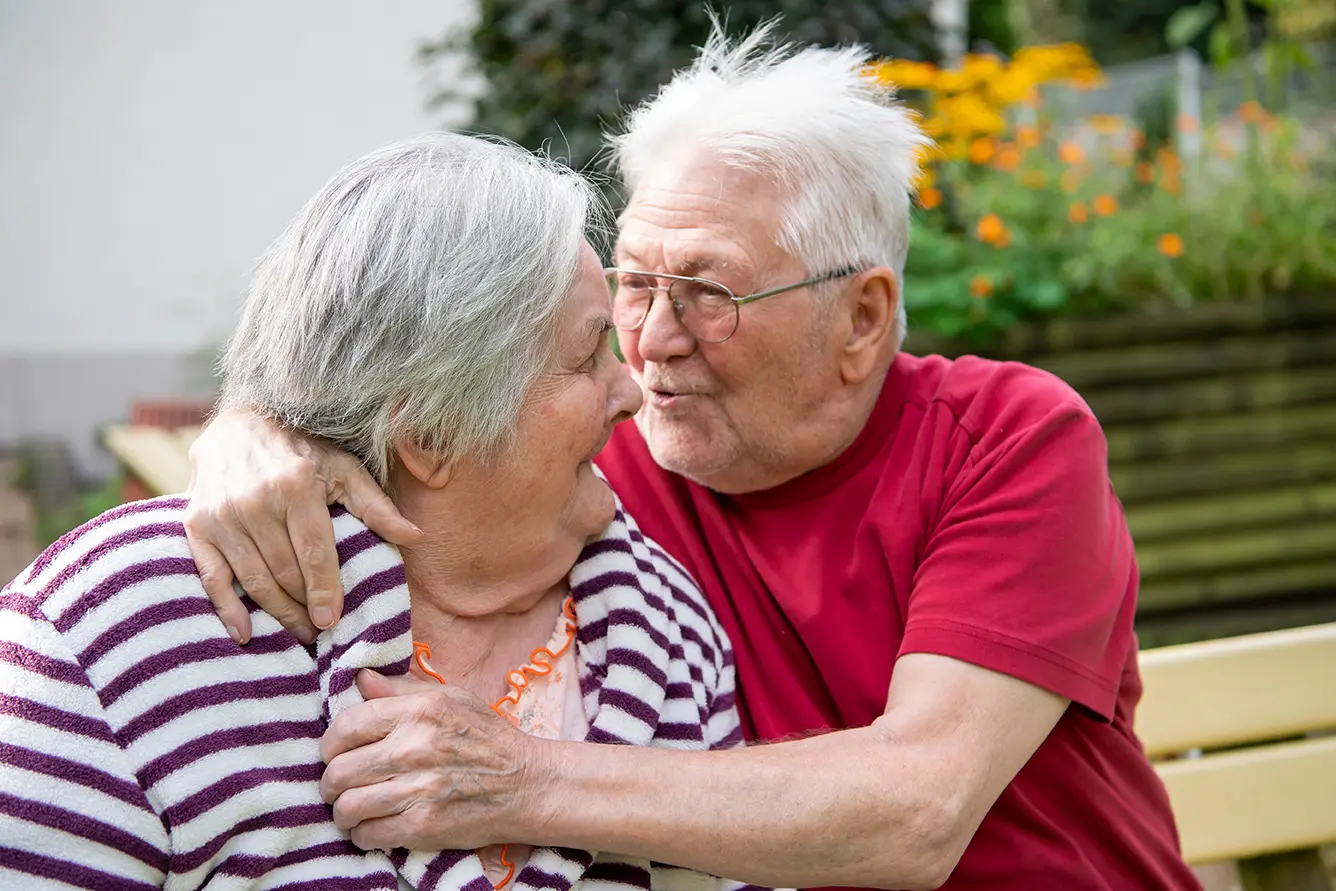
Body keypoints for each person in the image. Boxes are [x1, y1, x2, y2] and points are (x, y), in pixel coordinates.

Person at [180, 24, 1204, 891]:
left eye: (707, 293)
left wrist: (516, 779)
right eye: (633, 281)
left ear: (860, 318)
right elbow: (407, 380)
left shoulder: (1009, 437)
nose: (651, 343)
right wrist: (260, 428)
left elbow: (918, 808)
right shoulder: (604, 457)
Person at [0, 133, 756, 891]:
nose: (633, 389)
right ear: (430, 434)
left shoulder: (665, 623)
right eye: (591, 355)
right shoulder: (119, 624)